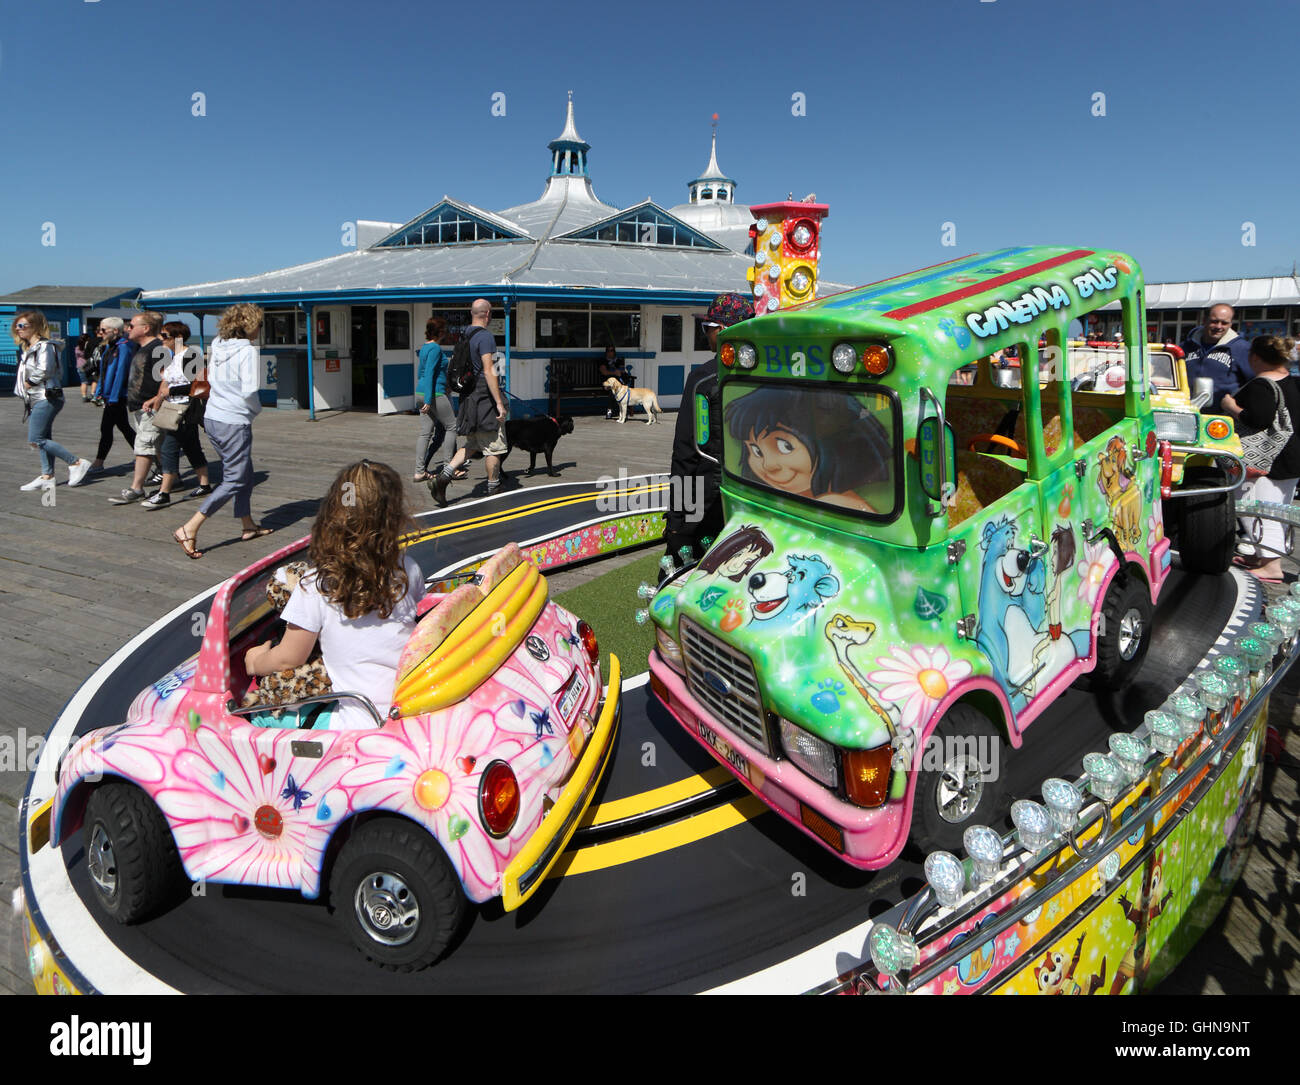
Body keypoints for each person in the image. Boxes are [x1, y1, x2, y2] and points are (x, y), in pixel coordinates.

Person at [243, 460, 424, 730]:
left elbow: (288, 658)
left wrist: (255, 661)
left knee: (257, 714)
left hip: (360, 721)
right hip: (407, 703)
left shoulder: (317, 583)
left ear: (333, 515)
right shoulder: (407, 568)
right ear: (393, 517)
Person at [662, 292, 754, 572]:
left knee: (679, 575)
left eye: (708, 328)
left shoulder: (704, 377)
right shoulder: (771, 374)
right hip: (753, 496)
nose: (706, 335)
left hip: (707, 497)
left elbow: (686, 451)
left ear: (725, 330)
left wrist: (677, 520)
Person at [173, 303, 271, 557]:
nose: (261, 328)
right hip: (233, 421)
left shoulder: (217, 344)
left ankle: (247, 524)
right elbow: (249, 391)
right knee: (235, 478)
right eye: (259, 323)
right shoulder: (248, 352)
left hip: (213, 417)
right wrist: (255, 410)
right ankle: (190, 527)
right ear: (250, 325)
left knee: (244, 471)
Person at [1220, 335, 1300, 582]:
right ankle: (1261, 555)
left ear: (1255, 357)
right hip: (1290, 455)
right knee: (1278, 507)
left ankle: (1271, 565)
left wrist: (1230, 405)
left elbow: (1257, 419)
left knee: (1255, 507)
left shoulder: (1261, 385)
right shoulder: (1293, 382)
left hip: (1266, 460)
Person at [429, 298, 508, 506]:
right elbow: (490, 370)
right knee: (493, 445)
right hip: (484, 398)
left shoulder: (464, 335)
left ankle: (443, 477)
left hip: (468, 398)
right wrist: (499, 402)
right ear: (488, 314)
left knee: (472, 443)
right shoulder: (485, 337)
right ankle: (494, 489)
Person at [11, 310, 91, 490]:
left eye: (23, 325)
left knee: (36, 439)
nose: (18, 329)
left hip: (46, 396)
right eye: (17, 326)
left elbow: (46, 368)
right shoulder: (30, 348)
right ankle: (47, 475)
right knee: (43, 437)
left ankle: (76, 462)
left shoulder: (44, 346)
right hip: (36, 397)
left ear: (36, 327)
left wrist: (30, 381)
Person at [140, 322, 212, 510]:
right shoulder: (175, 356)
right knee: (191, 446)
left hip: (185, 409)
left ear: (177, 338)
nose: (161, 339)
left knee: (168, 449)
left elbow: (200, 385)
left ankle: (164, 492)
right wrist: (155, 399)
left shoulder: (190, 356)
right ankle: (204, 485)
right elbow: (167, 385)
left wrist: (169, 393)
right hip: (175, 407)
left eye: (165, 336)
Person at [108, 311, 169, 504]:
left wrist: (157, 399)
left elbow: (166, 377)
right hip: (138, 406)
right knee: (156, 445)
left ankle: (137, 488)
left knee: (144, 446)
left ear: (146, 328)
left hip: (150, 406)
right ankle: (171, 477)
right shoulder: (139, 348)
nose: (128, 329)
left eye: (132, 326)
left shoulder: (157, 348)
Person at [88, 316, 138, 474]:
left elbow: (121, 373)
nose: (100, 333)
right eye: (99, 330)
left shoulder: (123, 347)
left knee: (107, 427)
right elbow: (104, 371)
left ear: (115, 331)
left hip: (117, 396)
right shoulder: (111, 346)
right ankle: (144, 454)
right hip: (110, 395)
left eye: (103, 330)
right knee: (124, 427)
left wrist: (114, 397)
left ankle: (98, 462)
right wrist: (99, 392)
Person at [1182, 304, 1252, 414]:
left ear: (1231, 324)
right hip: (1186, 413)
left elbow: (1254, 383)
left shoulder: (1243, 349)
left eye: (1224, 323)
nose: (1219, 327)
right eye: (1214, 321)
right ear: (1204, 320)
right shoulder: (1185, 347)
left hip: (1222, 419)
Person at [414, 317, 459, 482]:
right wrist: (427, 399)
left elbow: (421, 373)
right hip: (434, 394)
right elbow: (431, 373)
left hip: (422, 392)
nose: (446, 333)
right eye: (445, 330)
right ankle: (449, 468)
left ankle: (419, 472)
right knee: (452, 427)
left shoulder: (425, 347)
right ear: (439, 332)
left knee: (425, 433)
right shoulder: (434, 348)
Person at [598, 345, 633, 419]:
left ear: (614, 352)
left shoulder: (618, 360)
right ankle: (609, 409)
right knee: (612, 390)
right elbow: (604, 372)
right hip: (607, 383)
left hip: (620, 383)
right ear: (606, 352)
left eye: (612, 350)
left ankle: (625, 410)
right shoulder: (603, 360)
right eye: (608, 350)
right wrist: (614, 373)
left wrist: (620, 372)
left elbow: (623, 370)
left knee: (624, 390)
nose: (610, 352)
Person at [75, 330, 96, 401]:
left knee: (83, 382)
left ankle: (84, 396)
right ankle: (93, 394)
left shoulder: (77, 348)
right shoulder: (87, 348)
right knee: (95, 379)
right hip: (89, 366)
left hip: (79, 366)